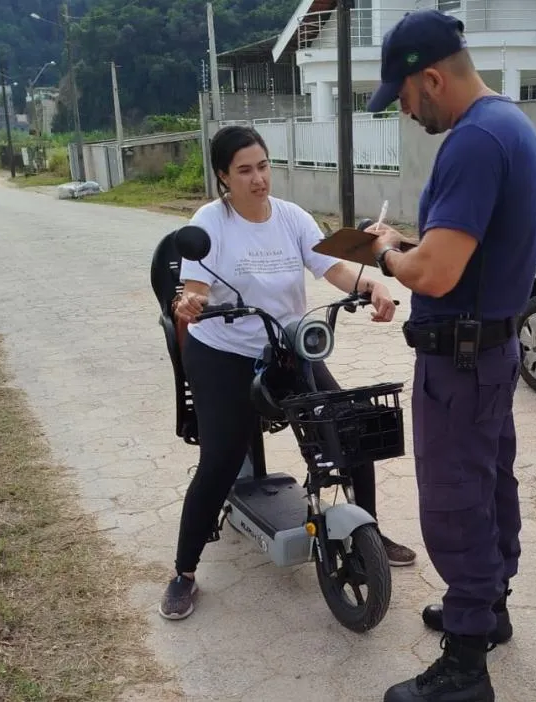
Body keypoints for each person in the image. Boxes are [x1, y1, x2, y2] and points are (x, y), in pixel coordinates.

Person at [363, 9, 536, 702]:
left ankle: (465, 666)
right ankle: (488, 608)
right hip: (490, 352)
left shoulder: (473, 142)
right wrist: (411, 244)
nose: (406, 112)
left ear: (433, 79)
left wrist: (382, 251)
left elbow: (437, 274)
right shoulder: (510, 126)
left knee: (453, 502)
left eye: (405, 97)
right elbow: (464, 252)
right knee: (490, 483)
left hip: (460, 363)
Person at [159, 125, 417, 621]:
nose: (258, 179)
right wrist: (190, 302)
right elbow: (194, 290)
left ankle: (369, 532)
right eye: (244, 170)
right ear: (223, 176)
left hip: (287, 349)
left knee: (350, 426)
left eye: (262, 166)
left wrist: (371, 285)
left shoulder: (292, 217)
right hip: (225, 354)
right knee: (220, 460)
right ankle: (184, 572)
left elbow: (334, 269)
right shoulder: (209, 222)